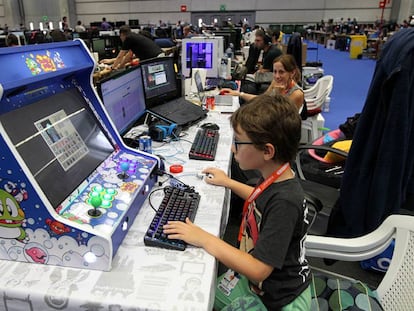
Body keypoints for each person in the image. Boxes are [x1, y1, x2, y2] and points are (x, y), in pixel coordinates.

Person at [163, 94, 311, 310]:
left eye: (238, 143)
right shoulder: (277, 176)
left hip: (278, 297)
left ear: (267, 151)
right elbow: (261, 196)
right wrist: (228, 182)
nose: (233, 149)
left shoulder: (286, 202)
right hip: (259, 278)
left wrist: (204, 238)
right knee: (208, 294)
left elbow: (259, 269)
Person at [223, 54, 305, 112]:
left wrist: (279, 94)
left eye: (281, 72)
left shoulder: (297, 94)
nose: (277, 76)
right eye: (275, 71)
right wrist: (239, 94)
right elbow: (262, 99)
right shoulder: (276, 82)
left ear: (292, 73)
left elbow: (280, 118)